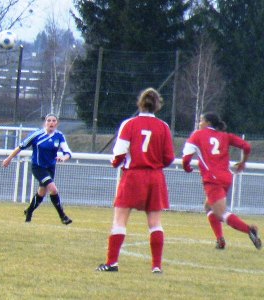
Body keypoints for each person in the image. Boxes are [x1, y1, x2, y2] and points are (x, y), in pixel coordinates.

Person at [96, 88, 175, 273]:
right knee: (155, 223)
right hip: (155, 177)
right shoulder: (163, 126)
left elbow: (120, 152)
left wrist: (115, 163)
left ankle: (112, 263)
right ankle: (156, 266)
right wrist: (155, 164)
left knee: (120, 220)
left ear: (140, 103)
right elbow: (169, 157)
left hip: (133, 176)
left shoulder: (129, 124)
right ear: (157, 105)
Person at [182, 112, 261, 250]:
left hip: (212, 180)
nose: (199, 123)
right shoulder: (225, 136)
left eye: (201, 121)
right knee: (208, 206)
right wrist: (242, 162)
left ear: (208, 123)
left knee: (221, 213)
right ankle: (220, 240)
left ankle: (249, 229)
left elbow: (186, 158)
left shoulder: (197, 135)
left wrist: (187, 167)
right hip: (226, 178)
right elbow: (247, 147)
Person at [2, 113, 73, 225]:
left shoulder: (59, 136)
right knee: (53, 189)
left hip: (50, 168)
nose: (51, 123)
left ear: (57, 123)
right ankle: (63, 216)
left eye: (54, 121)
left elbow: (68, 152)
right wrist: (9, 158)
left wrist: (64, 158)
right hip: (38, 167)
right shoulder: (37, 135)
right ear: (45, 123)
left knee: (42, 192)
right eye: (49, 120)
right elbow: (21, 146)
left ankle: (29, 211)